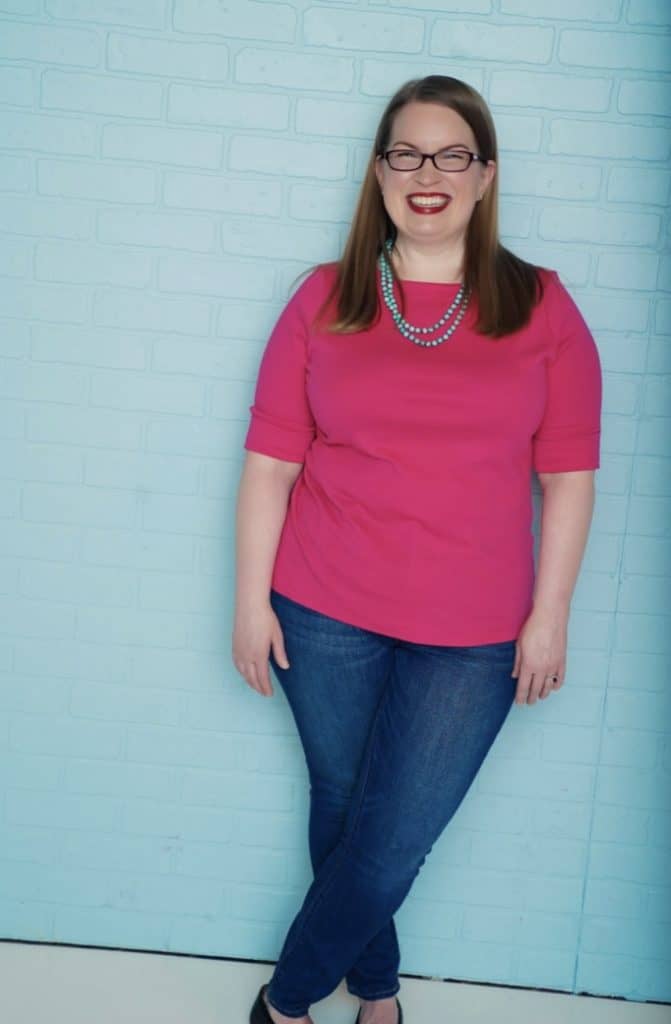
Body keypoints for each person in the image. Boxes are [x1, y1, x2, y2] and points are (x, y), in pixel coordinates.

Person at [233, 75, 602, 1024]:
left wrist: (549, 616)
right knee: (345, 803)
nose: (425, 173)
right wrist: (247, 601)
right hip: (320, 607)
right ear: (378, 172)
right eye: (405, 153)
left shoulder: (542, 308)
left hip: (474, 630)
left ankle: (285, 1001)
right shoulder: (324, 298)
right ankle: (380, 990)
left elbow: (566, 478)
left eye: (451, 155)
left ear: (484, 176)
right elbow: (271, 464)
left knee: (391, 837)